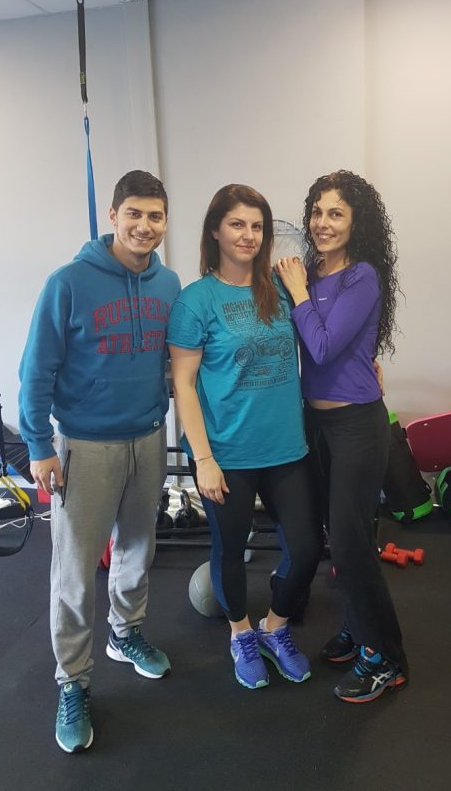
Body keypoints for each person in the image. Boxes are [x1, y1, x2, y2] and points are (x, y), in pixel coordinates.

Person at [18, 170, 181, 753]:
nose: (144, 225)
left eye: (155, 216)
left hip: (148, 438)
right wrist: (39, 445)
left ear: (165, 222)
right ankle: (73, 681)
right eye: (133, 213)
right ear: (113, 216)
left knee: (137, 549)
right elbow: (36, 370)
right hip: (84, 446)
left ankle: (125, 633)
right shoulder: (68, 283)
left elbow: (178, 362)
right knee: (75, 571)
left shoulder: (169, 284)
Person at [167, 184, 322, 691]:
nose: (248, 235)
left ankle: (275, 627)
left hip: (285, 448)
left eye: (257, 226)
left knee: (306, 548)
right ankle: (241, 633)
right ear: (215, 230)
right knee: (230, 548)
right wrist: (203, 459)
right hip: (227, 453)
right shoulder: (196, 301)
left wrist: (368, 364)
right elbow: (184, 385)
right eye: (237, 224)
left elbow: (323, 338)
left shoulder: (282, 286)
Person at [275, 169, 408, 704]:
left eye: (336, 213)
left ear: (357, 222)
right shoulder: (308, 272)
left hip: (356, 423)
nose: (323, 223)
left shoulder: (361, 277)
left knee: (352, 544)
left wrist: (298, 292)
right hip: (316, 422)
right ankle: (357, 626)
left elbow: (325, 347)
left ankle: (387, 658)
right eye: (317, 212)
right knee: (338, 539)